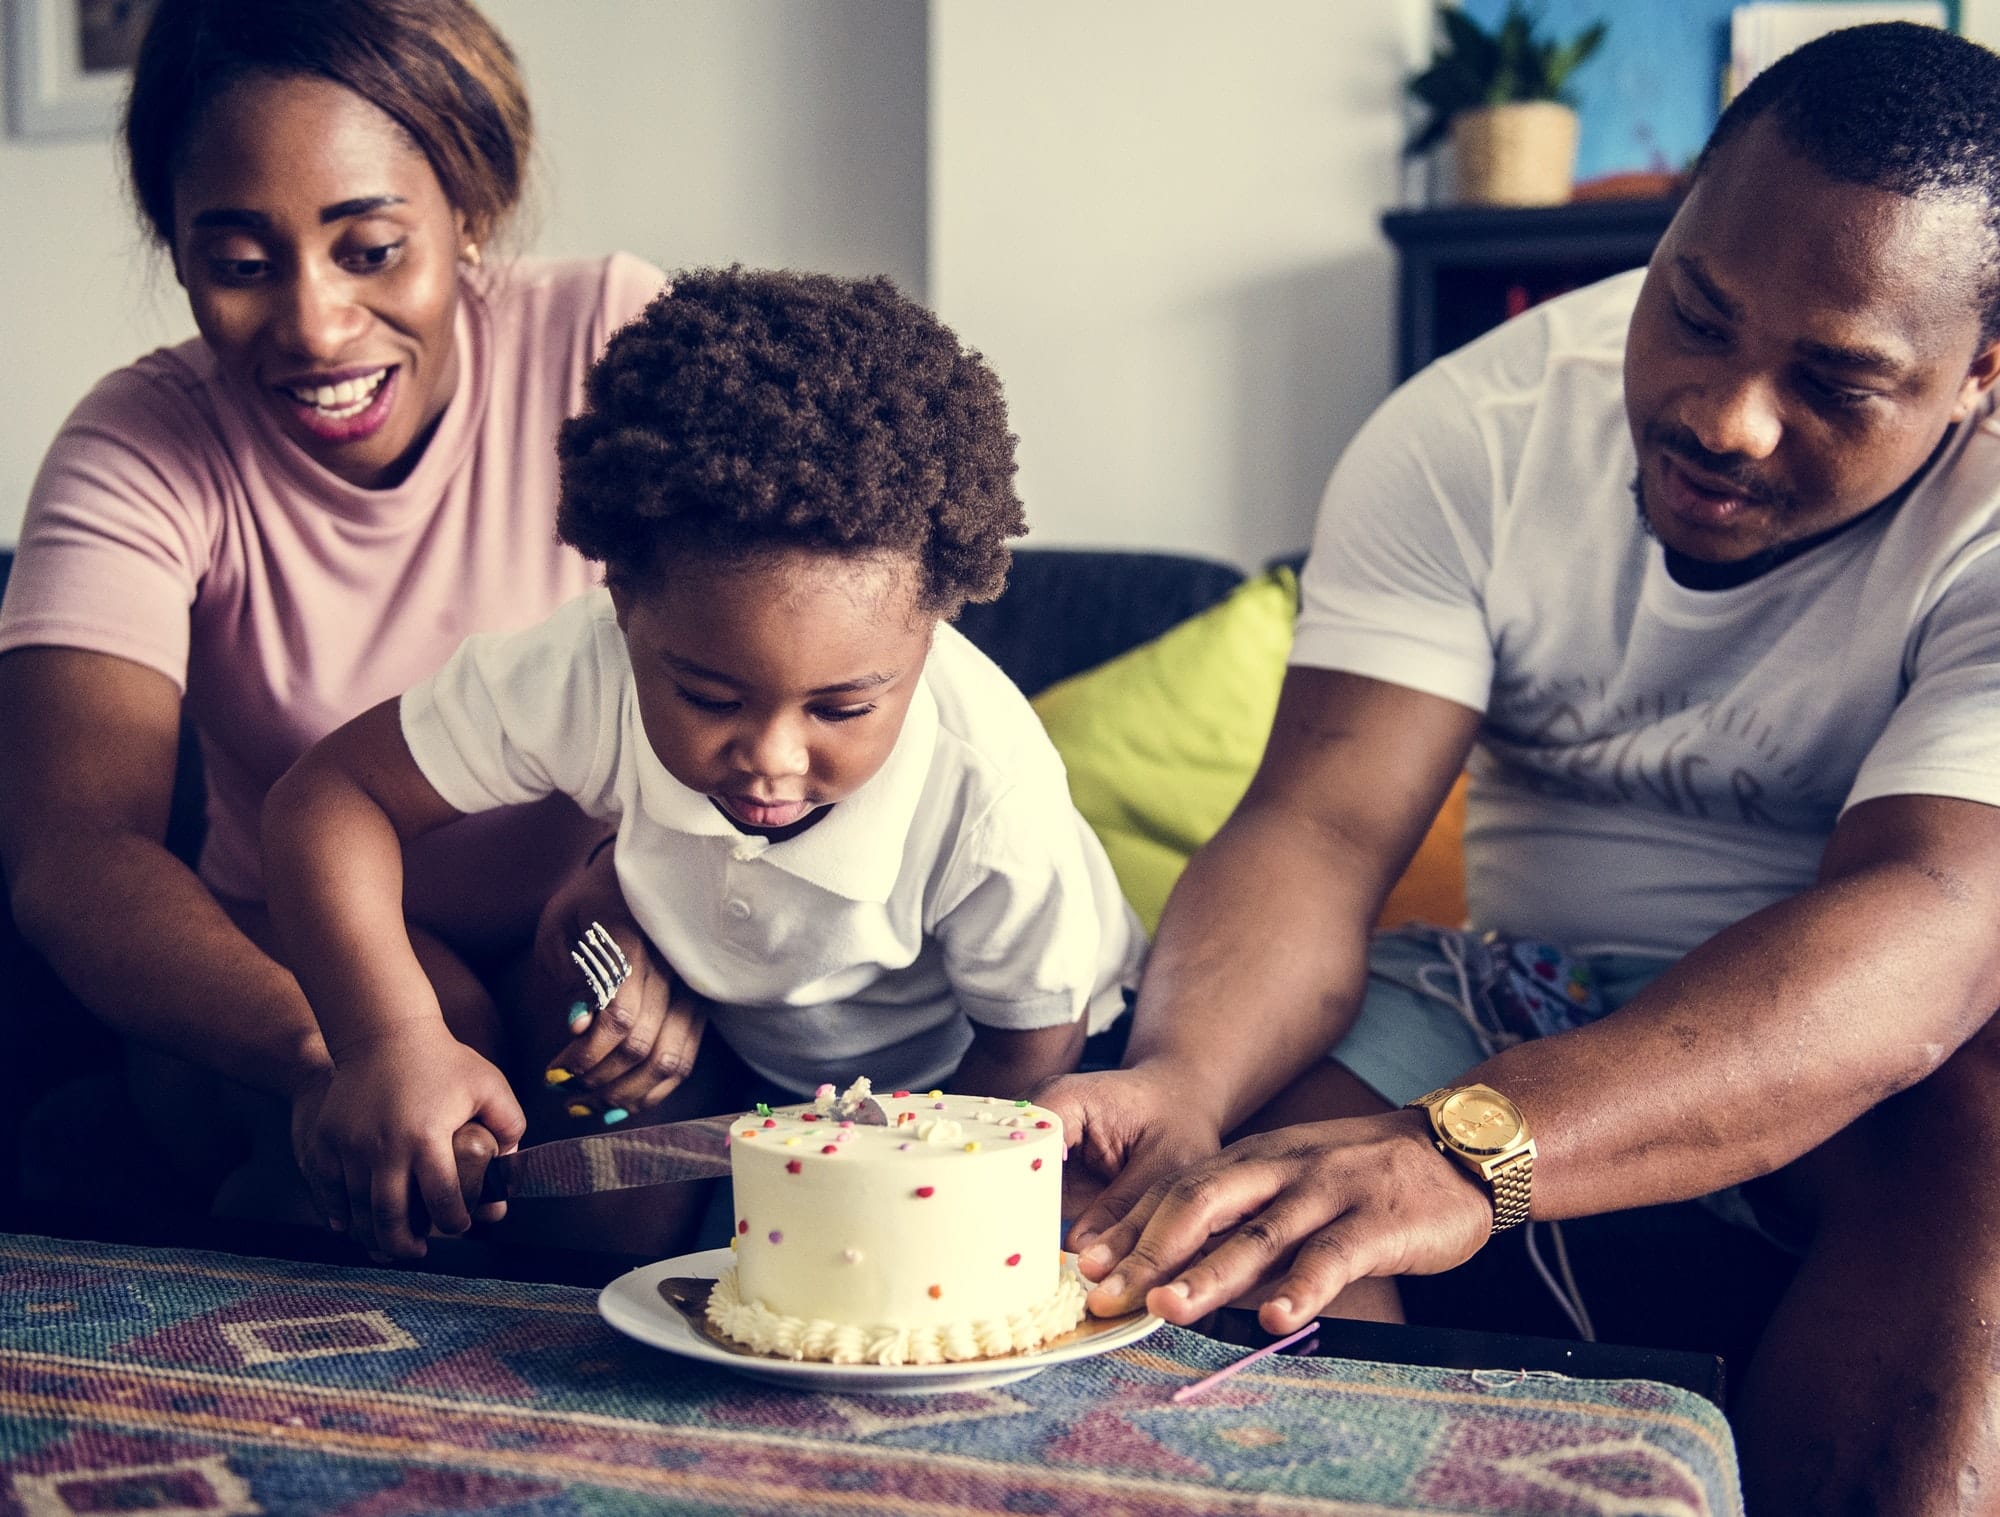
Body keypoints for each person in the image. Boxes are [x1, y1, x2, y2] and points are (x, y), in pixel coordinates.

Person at [1041, 23, 2000, 1515]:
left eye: (1834, 380)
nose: (1726, 415)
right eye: (1697, 311)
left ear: (1981, 374)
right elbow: (1320, 824)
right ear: (1675, 228)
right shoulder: (1472, 430)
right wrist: (1184, 1074)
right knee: (1236, 1183)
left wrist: (1465, 1150)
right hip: (1516, 980)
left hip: (1861, 1035)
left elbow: (1931, 933)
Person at [260, 266, 1146, 1263]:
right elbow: (327, 799)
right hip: (750, 1051)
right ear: (623, 599)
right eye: (709, 698)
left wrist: (899, 1182)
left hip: (1006, 1062)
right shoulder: (581, 666)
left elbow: (1029, 1045)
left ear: (933, 628)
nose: (769, 758)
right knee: (590, 1239)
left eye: (843, 706)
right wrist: (389, 1040)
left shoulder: (988, 790)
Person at [0, 0, 673, 1234]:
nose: (312, 325)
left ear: (470, 211)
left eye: (368, 249)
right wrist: (344, 1051)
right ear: (177, 246)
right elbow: (73, 854)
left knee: (614, 1192)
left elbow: (790, 670)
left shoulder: (609, 342)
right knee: (433, 1074)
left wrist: (681, 915)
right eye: (242, 265)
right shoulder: (137, 444)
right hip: (278, 953)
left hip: (587, 923)